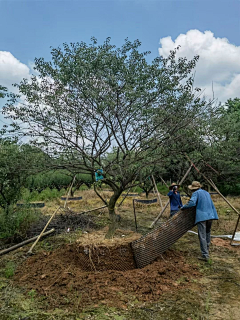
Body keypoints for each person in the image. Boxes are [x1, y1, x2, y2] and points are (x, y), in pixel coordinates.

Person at [181, 181, 219, 262]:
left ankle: (205, 255)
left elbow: (192, 203)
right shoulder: (206, 193)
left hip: (202, 216)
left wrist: (183, 207)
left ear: (193, 189)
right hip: (210, 215)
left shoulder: (196, 193)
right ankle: (207, 251)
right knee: (207, 233)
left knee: (202, 235)